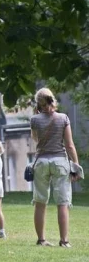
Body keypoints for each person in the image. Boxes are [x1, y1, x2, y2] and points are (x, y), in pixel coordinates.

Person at [30, 87, 82, 248]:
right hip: (60, 161)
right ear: (53, 100)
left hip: (41, 162)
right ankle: (64, 241)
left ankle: (41, 239)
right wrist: (76, 165)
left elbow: (36, 140)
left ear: (38, 103)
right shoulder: (63, 118)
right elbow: (70, 145)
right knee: (62, 202)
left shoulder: (34, 120)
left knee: (40, 202)